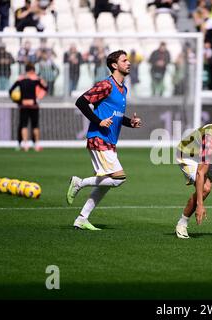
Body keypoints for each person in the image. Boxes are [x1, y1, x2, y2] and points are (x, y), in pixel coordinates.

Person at [66, 50, 142, 231]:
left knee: (105, 184)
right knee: (119, 178)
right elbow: (81, 102)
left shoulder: (123, 88)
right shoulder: (106, 85)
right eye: (124, 60)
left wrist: (130, 122)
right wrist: (98, 121)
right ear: (115, 65)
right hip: (98, 138)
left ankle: (82, 218)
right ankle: (79, 182)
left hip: (109, 141)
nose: (128, 63)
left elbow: (116, 116)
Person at [9, 63, 48, 152]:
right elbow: (45, 88)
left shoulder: (20, 79)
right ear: (33, 70)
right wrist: (37, 99)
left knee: (23, 124)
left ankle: (25, 145)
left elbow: (11, 90)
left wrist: (18, 101)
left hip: (23, 105)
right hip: (33, 105)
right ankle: (37, 145)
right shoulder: (37, 79)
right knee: (35, 125)